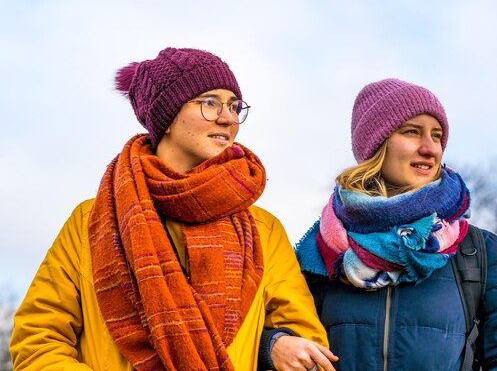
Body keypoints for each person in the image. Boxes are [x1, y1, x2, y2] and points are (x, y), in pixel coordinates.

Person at [10, 47, 336, 371]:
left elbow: (306, 345)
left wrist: (271, 346)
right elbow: (38, 337)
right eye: (210, 102)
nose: (228, 117)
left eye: (235, 106)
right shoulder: (92, 222)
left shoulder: (262, 231)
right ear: (167, 118)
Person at [292, 78, 497, 370]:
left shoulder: (478, 252)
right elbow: (277, 339)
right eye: (412, 132)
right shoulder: (321, 252)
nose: (430, 148)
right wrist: (272, 345)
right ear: (376, 144)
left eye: (437, 136)